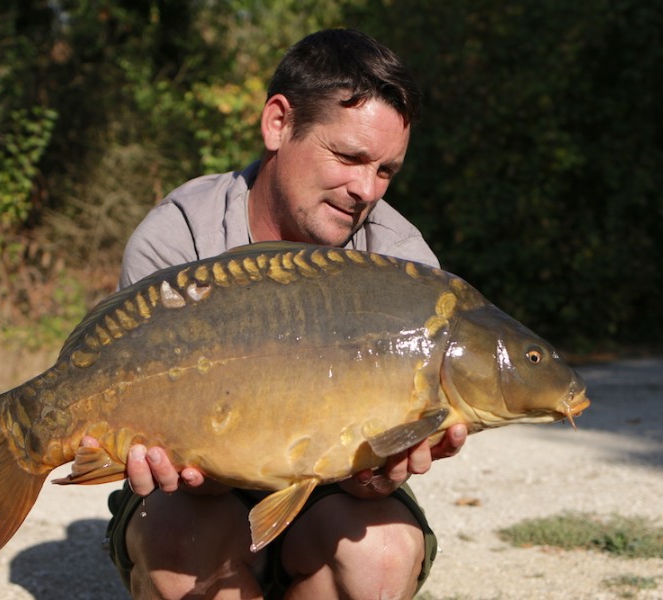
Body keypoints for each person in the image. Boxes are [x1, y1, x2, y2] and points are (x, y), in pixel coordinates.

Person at [98, 29, 468, 599]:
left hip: (329, 486)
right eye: (349, 157)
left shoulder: (404, 267)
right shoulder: (181, 238)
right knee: (180, 546)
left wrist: (377, 476)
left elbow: (368, 482)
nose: (366, 189)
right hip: (197, 493)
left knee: (383, 554)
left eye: (387, 171)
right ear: (278, 123)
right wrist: (170, 463)